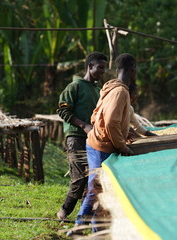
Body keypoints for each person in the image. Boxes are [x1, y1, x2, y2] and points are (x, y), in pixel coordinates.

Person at [68, 53, 136, 236]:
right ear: (132, 70)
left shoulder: (108, 87)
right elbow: (112, 121)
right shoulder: (121, 91)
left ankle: (96, 231)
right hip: (101, 146)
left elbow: (96, 115)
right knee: (95, 188)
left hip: (97, 142)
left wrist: (124, 132)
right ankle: (78, 227)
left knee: (100, 189)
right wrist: (122, 145)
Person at [56, 52, 108, 220]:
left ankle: (84, 215)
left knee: (92, 178)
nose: (102, 72)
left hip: (93, 139)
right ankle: (64, 211)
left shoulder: (99, 91)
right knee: (79, 178)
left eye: (104, 68)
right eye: (99, 68)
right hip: (76, 136)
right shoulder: (75, 86)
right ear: (89, 67)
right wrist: (83, 125)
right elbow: (63, 110)